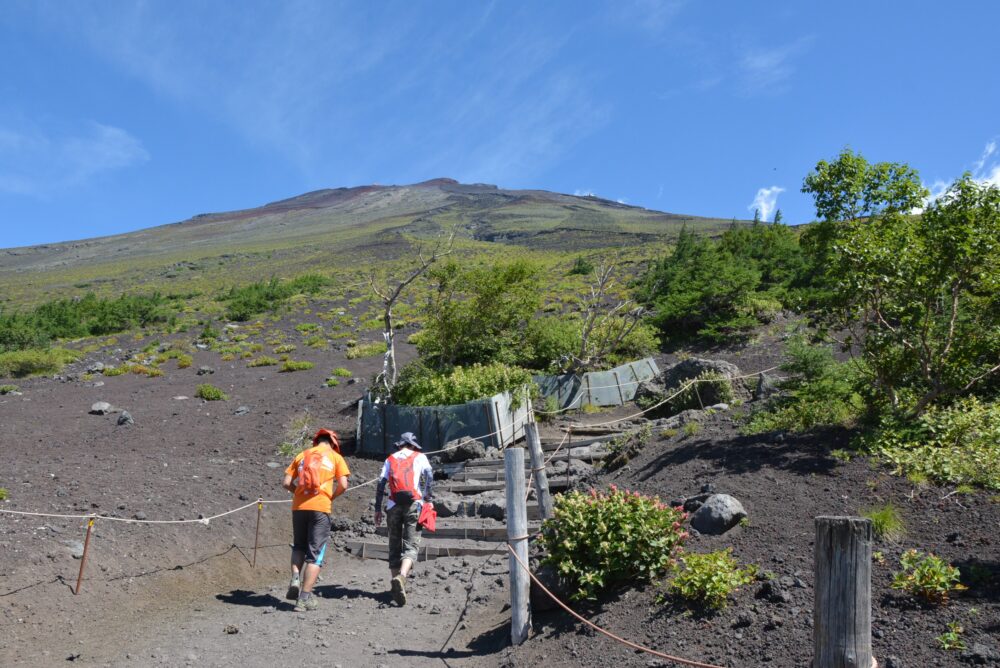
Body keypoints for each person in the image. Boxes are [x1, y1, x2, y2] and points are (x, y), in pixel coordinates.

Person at [282, 428, 350, 612]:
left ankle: (295, 577)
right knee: (315, 554)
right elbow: (343, 484)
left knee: (299, 546)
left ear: (316, 441)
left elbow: (286, 482)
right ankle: (304, 599)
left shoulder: (302, 455)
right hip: (321, 507)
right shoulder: (336, 457)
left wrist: (297, 493)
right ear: (333, 443)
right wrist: (330, 497)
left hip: (299, 507)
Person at [374, 431, 433, 606]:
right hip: (414, 503)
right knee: (411, 544)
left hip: (393, 505)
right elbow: (429, 477)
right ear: (413, 445)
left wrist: (378, 508)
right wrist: (428, 500)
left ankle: (395, 589)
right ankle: (402, 577)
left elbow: (380, 484)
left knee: (394, 545)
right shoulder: (420, 457)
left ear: (400, 445)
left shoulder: (390, 458)